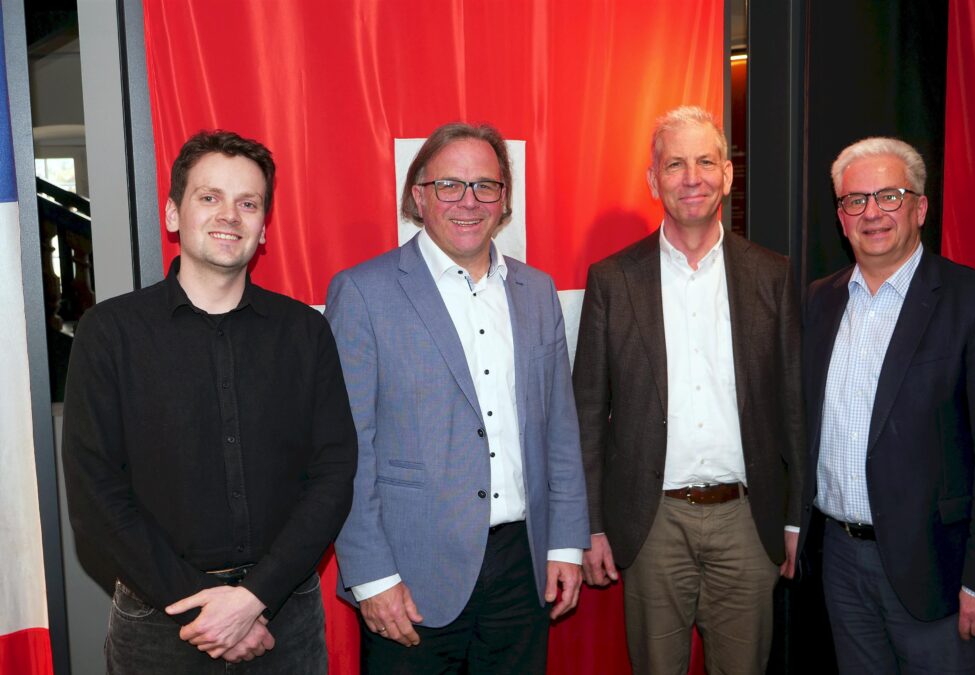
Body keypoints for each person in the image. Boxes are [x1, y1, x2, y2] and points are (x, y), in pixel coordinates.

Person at [62, 130, 357, 673]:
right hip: (159, 620)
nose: (230, 215)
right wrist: (206, 607)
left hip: (283, 614)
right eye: (209, 197)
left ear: (263, 226)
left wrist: (253, 599)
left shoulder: (304, 333)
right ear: (173, 214)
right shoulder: (110, 333)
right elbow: (94, 492)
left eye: (248, 202)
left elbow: (334, 473)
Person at [326, 122, 589, 673]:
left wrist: (565, 543)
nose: (468, 202)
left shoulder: (536, 292)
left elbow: (560, 428)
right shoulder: (363, 292)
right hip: (411, 576)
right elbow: (348, 449)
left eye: (485, 186)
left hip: (522, 567)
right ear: (419, 196)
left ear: (504, 200)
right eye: (450, 185)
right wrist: (372, 576)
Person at [573, 105, 804, 674]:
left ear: (728, 174)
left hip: (748, 523)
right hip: (651, 525)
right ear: (654, 180)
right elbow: (586, 415)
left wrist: (795, 517)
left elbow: (794, 406)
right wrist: (592, 525)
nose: (691, 177)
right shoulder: (612, 280)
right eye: (675, 164)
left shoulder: (773, 276)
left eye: (705, 161)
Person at [801, 137, 975, 673]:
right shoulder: (821, 300)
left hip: (939, 571)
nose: (873, 213)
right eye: (855, 201)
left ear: (921, 207)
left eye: (889, 196)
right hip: (841, 564)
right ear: (841, 218)